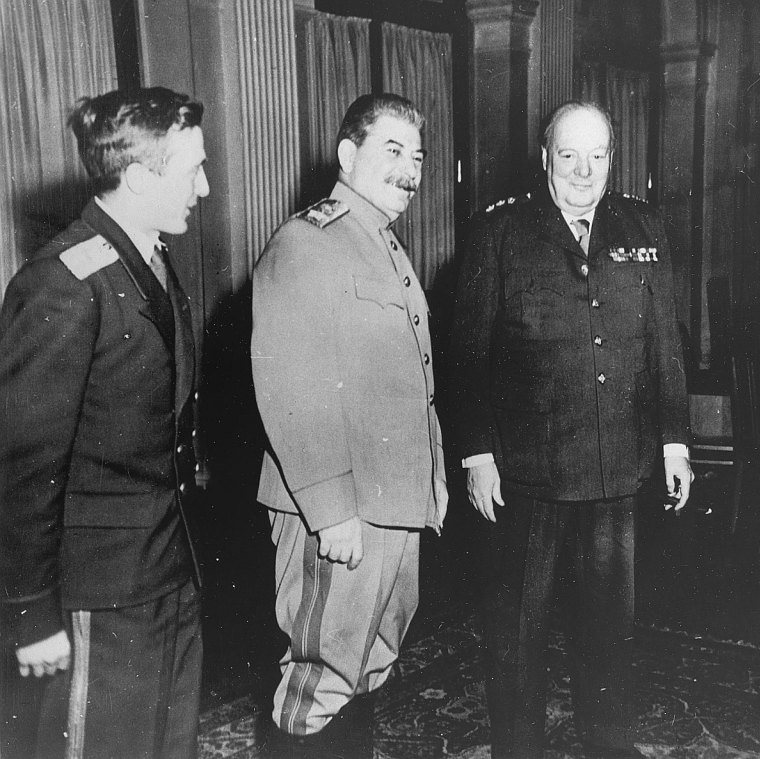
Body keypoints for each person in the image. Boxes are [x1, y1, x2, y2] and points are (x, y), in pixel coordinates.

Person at [447, 101, 694, 759]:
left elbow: (664, 343)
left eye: (597, 156)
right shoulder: (499, 232)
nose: (583, 171)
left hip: (615, 467)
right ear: (545, 158)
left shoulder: (643, 226)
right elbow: (467, 354)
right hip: (525, 472)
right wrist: (477, 454)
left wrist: (674, 442)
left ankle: (608, 745)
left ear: (612, 159)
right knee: (516, 634)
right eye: (568, 155)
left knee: (609, 631)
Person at [0, 87, 209, 758]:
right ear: (140, 177)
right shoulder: (63, 282)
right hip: (99, 590)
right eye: (193, 170)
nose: (205, 188)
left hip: (165, 569)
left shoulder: (146, 256)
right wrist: (32, 614)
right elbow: (23, 466)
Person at [251, 93, 447, 758]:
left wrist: (432, 480)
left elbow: (413, 381)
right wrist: (331, 511)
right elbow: (292, 388)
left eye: (417, 156)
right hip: (339, 510)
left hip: (390, 501)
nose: (410, 170)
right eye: (392, 150)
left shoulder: (381, 243)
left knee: (368, 664)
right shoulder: (309, 242)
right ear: (347, 154)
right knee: (320, 676)